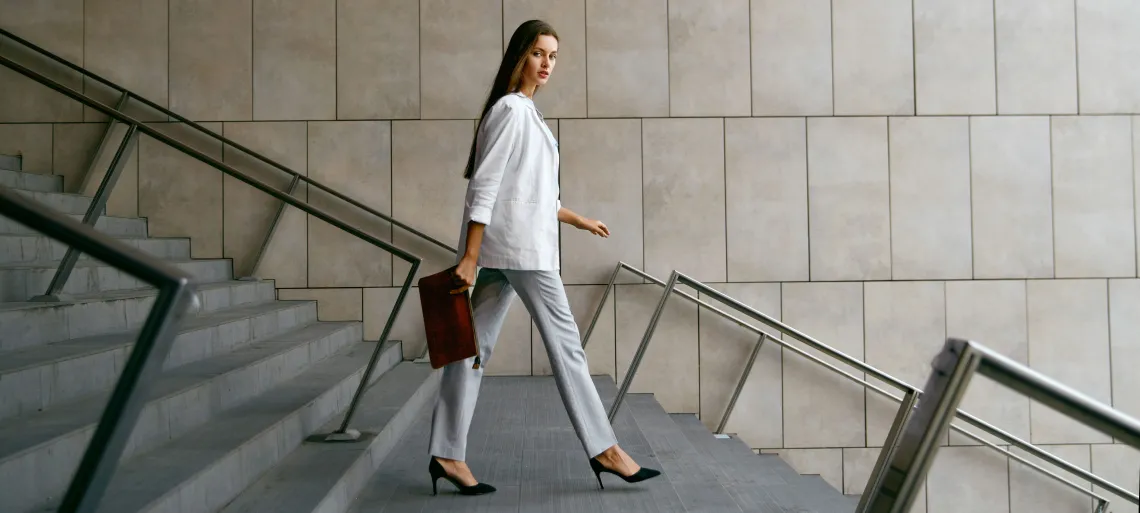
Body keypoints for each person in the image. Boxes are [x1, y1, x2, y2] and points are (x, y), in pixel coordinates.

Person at [427, 19, 662, 496]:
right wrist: (469, 258)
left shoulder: (522, 112)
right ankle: (605, 449)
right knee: (567, 348)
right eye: (538, 53)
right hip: (521, 254)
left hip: (509, 247)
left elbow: (530, 194)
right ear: (520, 56)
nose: (547, 63)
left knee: (470, 352)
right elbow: (486, 185)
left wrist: (576, 219)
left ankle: (447, 454)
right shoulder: (513, 111)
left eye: (553, 56)